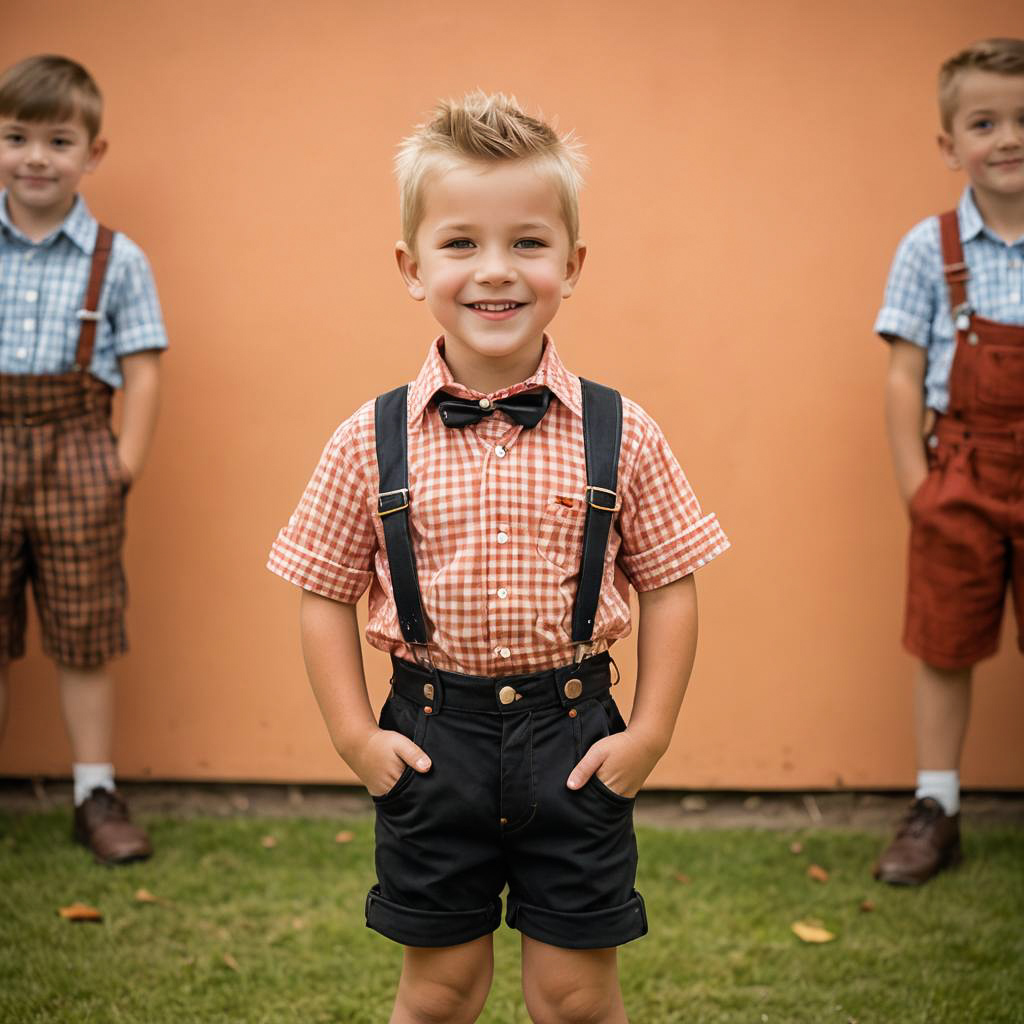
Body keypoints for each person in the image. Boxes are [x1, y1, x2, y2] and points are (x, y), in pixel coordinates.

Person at [268, 91, 727, 1023]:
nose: (495, 271)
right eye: (460, 243)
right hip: (433, 740)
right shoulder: (369, 438)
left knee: (575, 995)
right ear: (411, 265)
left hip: (576, 739)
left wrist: (648, 732)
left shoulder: (621, 430)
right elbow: (320, 591)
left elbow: (672, 582)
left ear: (572, 263)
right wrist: (358, 739)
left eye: (527, 242)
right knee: (438, 991)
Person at [0, 55, 166, 864]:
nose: (36, 156)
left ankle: (94, 791)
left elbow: (142, 367)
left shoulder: (117, 257)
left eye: (58, 140)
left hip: (78, 452)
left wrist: (121, 466)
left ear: (91, 153)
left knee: (85, 630)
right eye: (16, 137)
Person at [873, 38, 1024, 886]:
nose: (1008, 137)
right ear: (949, 144)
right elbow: (903, 374)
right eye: (984, 121)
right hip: (959, 469)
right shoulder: (929, 249)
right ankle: (938, 807)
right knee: (945, 642)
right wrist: (917, 489)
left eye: (1023, 118)